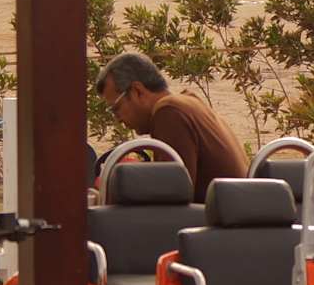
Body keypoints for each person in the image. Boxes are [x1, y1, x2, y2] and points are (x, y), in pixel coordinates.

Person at [93, 50, 245, 191]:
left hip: (220, 212)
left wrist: (114, 185)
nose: (118, 119)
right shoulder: (187, 103)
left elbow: (170, 194)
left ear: (137, 91)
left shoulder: (169, 112)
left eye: (116, 108)